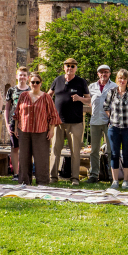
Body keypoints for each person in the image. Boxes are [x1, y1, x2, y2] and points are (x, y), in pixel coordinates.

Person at [49, 58, 91, 186]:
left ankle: (74, 178)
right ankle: (53, 177)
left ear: (76, 68)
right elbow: (48, 95)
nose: (70, 68)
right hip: (58, 122)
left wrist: (79, 98)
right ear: (64, 67)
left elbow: (89, 100)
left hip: (75, 122)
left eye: (73, 66)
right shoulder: (57, 80)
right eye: (68, 66)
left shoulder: (81, 82)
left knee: (75, 151)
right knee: (55, 149)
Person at [15, 72, 61, 186]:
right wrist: (16, 128)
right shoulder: (23, 96)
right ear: (29, 83)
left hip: (41, 131)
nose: (35, 84)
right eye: (32, 82)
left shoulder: (46, 97)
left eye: (37, 82)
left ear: (41, 83)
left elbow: (53, 115)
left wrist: (51, 130)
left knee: (41, 159)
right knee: (24, 158)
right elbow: (17, 113)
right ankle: (24, 181)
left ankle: (43, 182)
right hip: (24, 130)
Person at [103, 69, 128, 189]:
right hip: (114, 128)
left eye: (124, 78)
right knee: (114, 154)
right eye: (120, 78)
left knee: (126, 154)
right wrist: (111, 118)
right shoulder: (112, 92)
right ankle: (115, 181)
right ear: (117, 80)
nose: (122, 80)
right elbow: (106, 106)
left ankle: (125, 181)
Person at [87, 64, 117, 183]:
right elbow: (89, 101)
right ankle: (94, 175)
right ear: (98, 74)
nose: (103, 74)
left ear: (109, 73)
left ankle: (111, 175)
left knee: (110, 150)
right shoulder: (92, 86)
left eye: (106, 72)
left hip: (109, 122)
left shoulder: (114, 86)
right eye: (101, 72)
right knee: (94, 150)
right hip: (95, 121)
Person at [5, 67, 31, 181]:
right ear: (17, 76)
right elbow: (7, 108)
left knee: (26, 149)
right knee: (14, 148)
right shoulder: (11, 90)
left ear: (28, 77)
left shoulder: (31, 90)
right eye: (20, 75)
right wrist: (6, 123)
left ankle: (24, 173)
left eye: (24, 75)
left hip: (27, 123)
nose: (22, 77)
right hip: (13, 122)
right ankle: (15, 173)